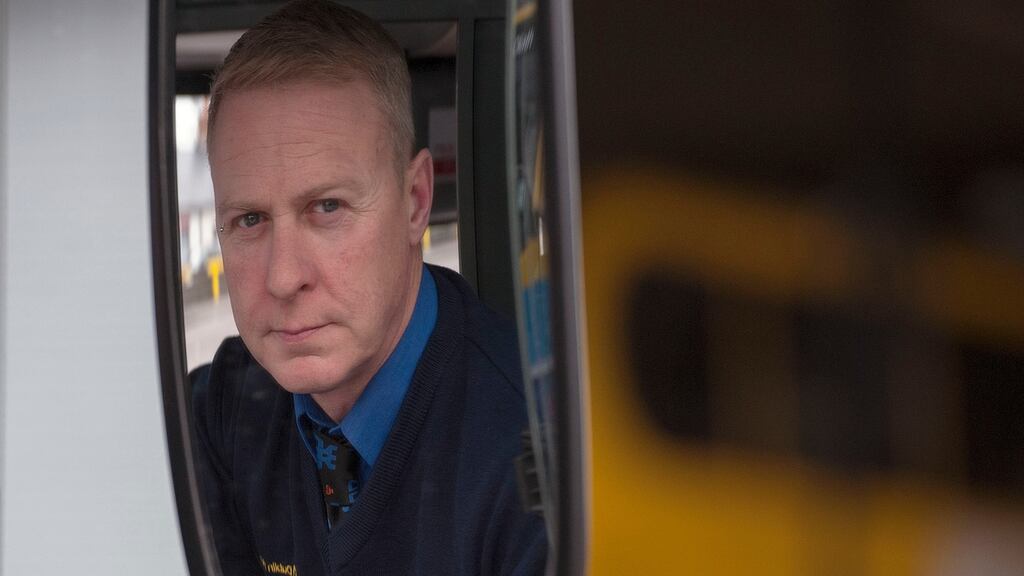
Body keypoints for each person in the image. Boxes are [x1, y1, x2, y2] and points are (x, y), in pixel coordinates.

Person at [189, 1, 547, 574]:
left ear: (416, 202)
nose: (284, 278)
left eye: (326, 207)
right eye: (250, 220)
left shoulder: (531, 457)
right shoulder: (229, 413)